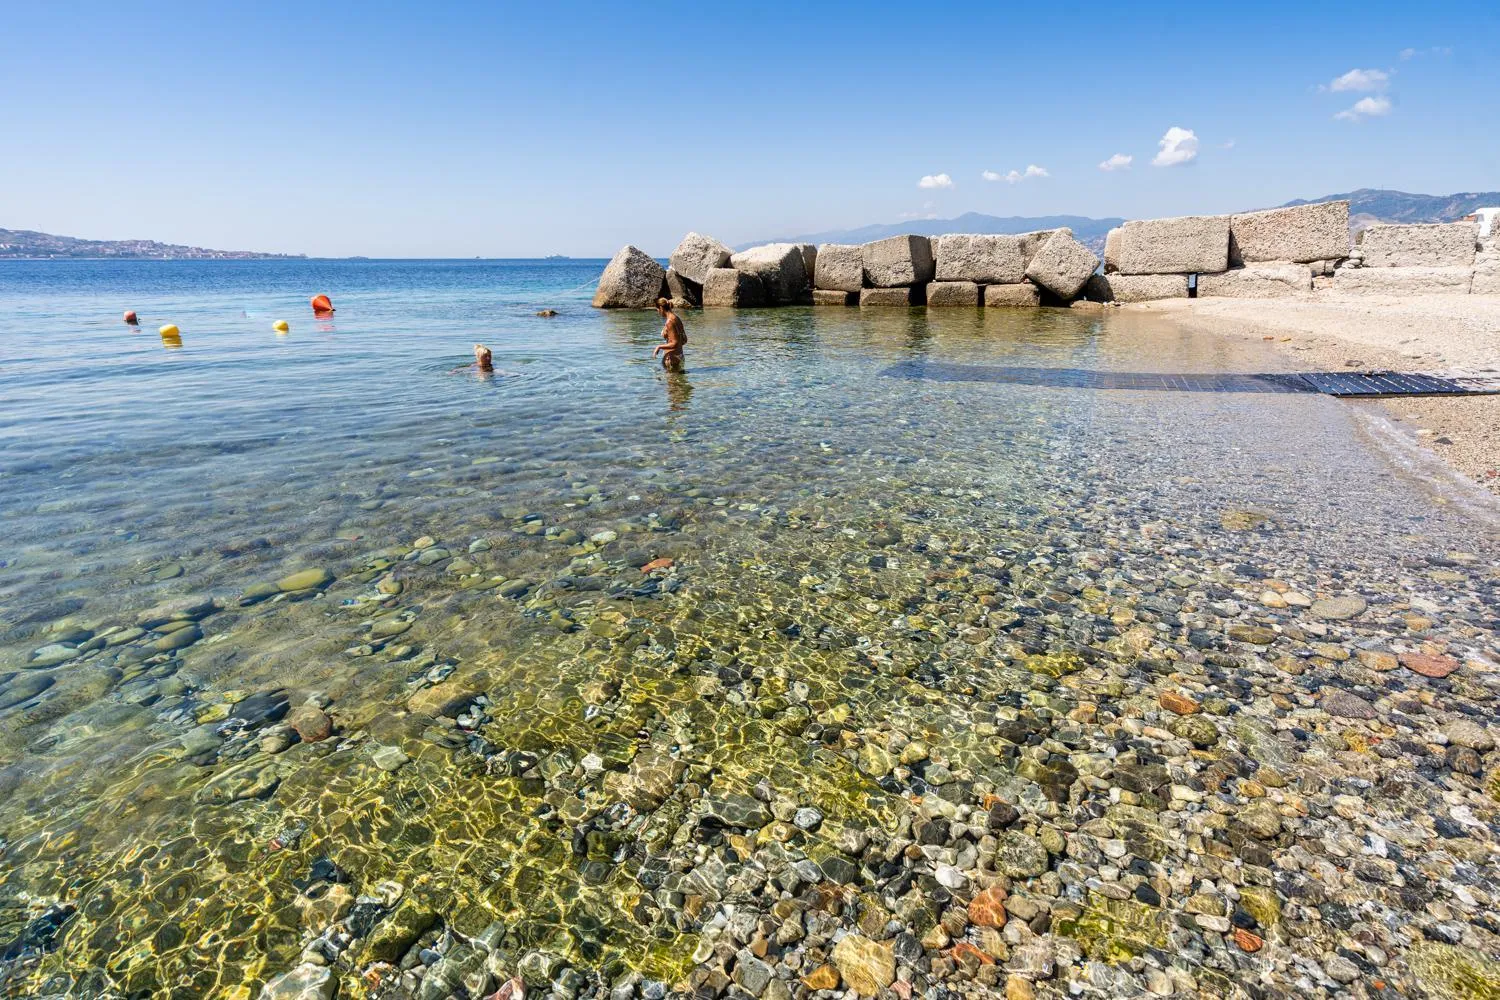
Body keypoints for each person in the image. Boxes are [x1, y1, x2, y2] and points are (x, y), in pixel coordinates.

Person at [652, 298, 686, 370]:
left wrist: (659, 347)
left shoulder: (669, 322)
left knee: (672, 380)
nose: (658, 312)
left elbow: (674, 343)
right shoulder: (676, 318)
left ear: (661, 308)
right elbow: (684, 340)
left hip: (671, 359)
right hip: (680, 356)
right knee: (679, 381)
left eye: (657, 310)